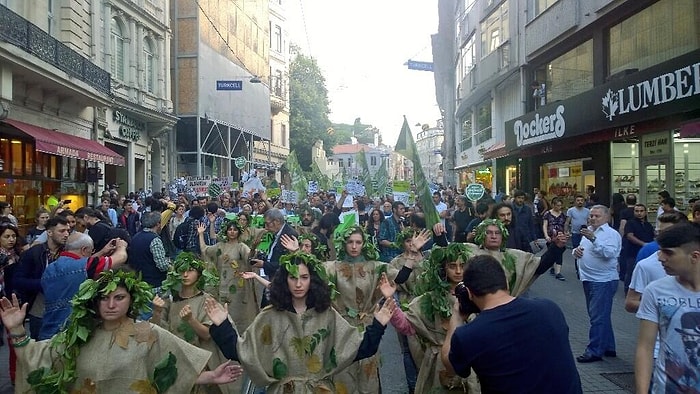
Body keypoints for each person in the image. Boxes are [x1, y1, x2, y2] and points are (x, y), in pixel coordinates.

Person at [1, 269, 242, 393]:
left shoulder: (149, 333)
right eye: (104, 298)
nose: (111, 304)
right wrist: (17, 330)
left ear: (131, 300)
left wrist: (210, 376)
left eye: (119, 297)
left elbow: (173, 371)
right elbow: (40, 358)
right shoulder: (78, 335)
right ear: (94, 302)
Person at [207, 252, 396, 393]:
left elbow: (357, 349)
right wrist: (222, 326)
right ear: (284, 280)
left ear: (312, 280)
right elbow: (244, 352)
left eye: (304, 278)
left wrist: (378, 324)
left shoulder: (326, 315)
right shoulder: (270, 315)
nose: (298, 284)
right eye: (293, 277)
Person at [440, 254, 582, 393]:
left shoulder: (469, 335)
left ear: (470, 293)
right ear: (506, 283)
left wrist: (456, 318)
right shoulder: (550, 308)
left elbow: (450, 366)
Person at [325, 225, 423, 393]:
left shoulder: (376, 267)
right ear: (344, 244)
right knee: (343, 371)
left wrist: (412, 254)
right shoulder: (332, 268)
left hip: (369, 325)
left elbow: (400, 277)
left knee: (368, 371)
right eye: (350, 242)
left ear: (364, 244)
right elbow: (307, 276)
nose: (354, 246)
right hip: (342, 327)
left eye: (358, 242)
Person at [384, 243, 476, 393]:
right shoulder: (430, 299)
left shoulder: (477, 295)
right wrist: (390, 302)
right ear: (443, 269)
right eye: (452, 266)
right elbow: (407, 326)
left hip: (470, 361)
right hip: (438, 365)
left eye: (463, 265)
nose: (458, 271)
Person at [152, 252, 242, 394]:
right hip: (177, 364)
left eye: (190, 270)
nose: (185, 274)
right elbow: (158, 333)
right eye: (181, 270)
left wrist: (190, 320)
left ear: (200, 274)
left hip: (202, 364)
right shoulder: (170, 303)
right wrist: (156, 312)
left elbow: (207, 334)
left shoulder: (207, 301)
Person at [635, 222, 700, 393]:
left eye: (668, 252)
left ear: (694, 256)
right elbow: (645, 347)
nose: (660, 257)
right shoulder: (656, 291)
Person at [39, 233, 128, 340]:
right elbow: (120, 258)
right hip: (69, 333)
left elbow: (84, 265)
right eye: (91, 251)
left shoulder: (50, 268)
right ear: (84, 249)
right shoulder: (82, 267)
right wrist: (121, 247)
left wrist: (103, 252)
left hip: (48, 331)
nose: (92, 254)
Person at [572, 205, 622, 363]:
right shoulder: (588, 231)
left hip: (603, 280)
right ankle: (608, 346)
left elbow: (609, 254)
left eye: (597, 216)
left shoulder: (610, 234)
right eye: (591, 215)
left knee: (597, 317)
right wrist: (576, 252)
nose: (592, 218)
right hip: (589, 278)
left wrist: (593, 239)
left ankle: (594, 351)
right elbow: (579, 249)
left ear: (606, 217)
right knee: (601, 315)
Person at [12, 216, 71, 339]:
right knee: (39, 348)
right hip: (39, 310)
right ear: (49, 232)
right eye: (62, 231)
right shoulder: (34, 253)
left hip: (63, 310)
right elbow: (18, 281)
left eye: (68, 231)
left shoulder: (69, 252)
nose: (66, 234)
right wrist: (44, 284)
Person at [198, 219, 259, 332]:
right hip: (222, 286)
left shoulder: (241, 246)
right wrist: (201, 234)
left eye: (235, 230)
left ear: (238, 232)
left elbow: (249, 257)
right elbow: (205, 250)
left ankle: (240, 335)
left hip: (238, 289)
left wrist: (253, 249)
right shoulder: (220, 246)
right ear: (226, 232)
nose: (232, 232)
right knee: (223, 310)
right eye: (230, 229)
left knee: (238, 313)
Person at [624, 212, 688, 314]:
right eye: (659, 232)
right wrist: (665, 307)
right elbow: (630, 303)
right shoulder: (646, 265)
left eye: (669, 233)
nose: (662, 237)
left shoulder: (694, 261)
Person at [127, 211, 170, 293]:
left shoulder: (135, 237)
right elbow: (162, 265)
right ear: (158, 224)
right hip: (154, 284)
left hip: (139, 282)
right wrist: (169, 264)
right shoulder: (155, 240)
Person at [621, 204, 655, 294]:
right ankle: (628, 292)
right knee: (631, 272)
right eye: (637, 211)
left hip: (646, 253)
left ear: (645, 212)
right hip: (633, 252)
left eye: (641, 211)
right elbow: (629, 236)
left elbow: (653, 236)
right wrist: (644, 244)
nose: (639, 213)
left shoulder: (648, 225)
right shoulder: (630, 223)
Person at [543, 197, 567, 280]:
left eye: (560, 205)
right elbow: (545, 225)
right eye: (557, 205)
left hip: (560, 236)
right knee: (551, 253)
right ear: (553, 205)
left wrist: (566, 234)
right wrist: (546, 235)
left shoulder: (563, 214)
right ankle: (552, 266)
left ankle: (558, 272)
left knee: (559, 253)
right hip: (551, 236)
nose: (559, 207)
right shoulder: (547, 214)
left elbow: (565, 225)